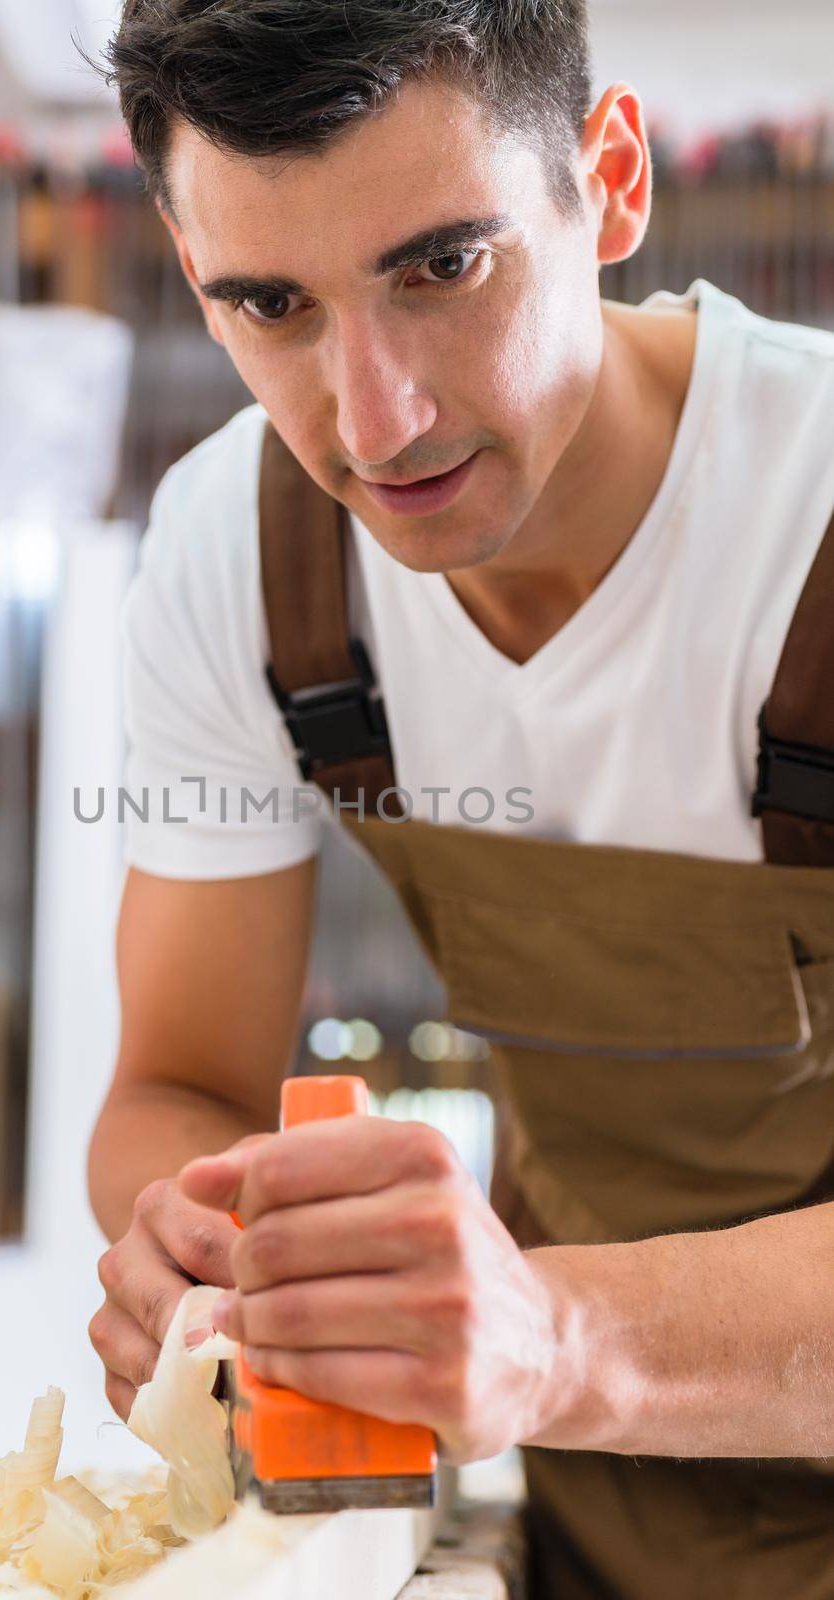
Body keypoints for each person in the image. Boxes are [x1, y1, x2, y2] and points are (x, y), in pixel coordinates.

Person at [85, 3, 834, 1594]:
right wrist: (204, 1255)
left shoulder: (815, 515)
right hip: (607, 1522)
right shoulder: (246, 552)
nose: (375, 422)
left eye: (442, 268)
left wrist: (552, 1336)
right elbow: (175, 1083)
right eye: (269, 303)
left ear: (610, 180)